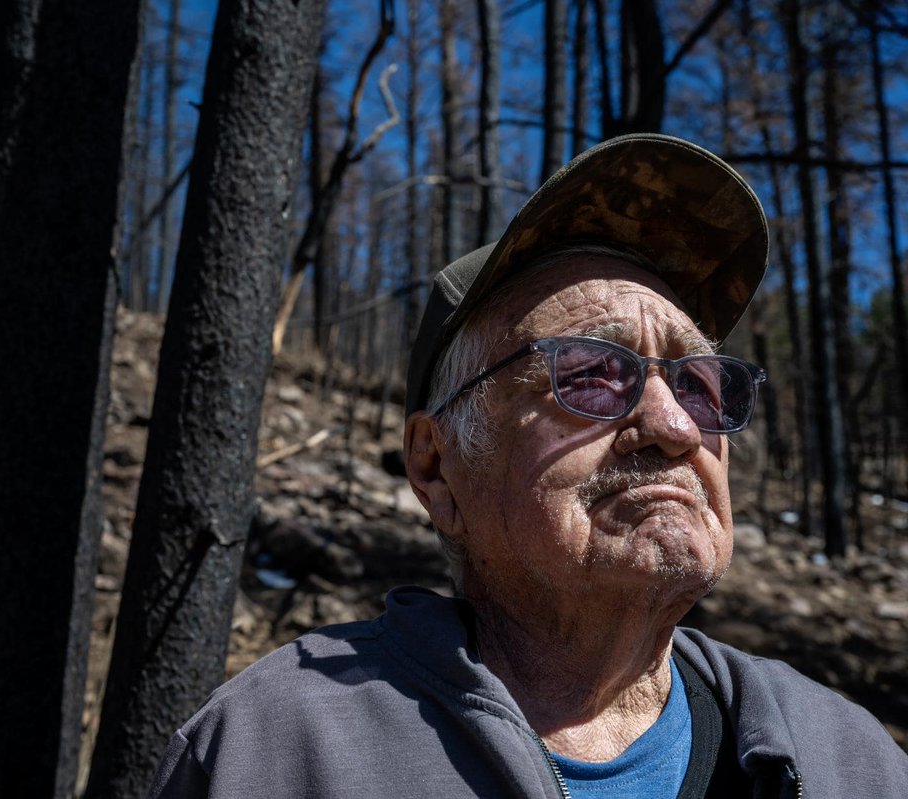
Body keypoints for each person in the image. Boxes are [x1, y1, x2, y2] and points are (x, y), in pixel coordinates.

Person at [147, 134, 908, 798]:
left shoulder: (849, 758)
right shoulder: (272, 756)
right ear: (437, 468)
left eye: (700, 384)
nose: (674, 426)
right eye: (590, 373)